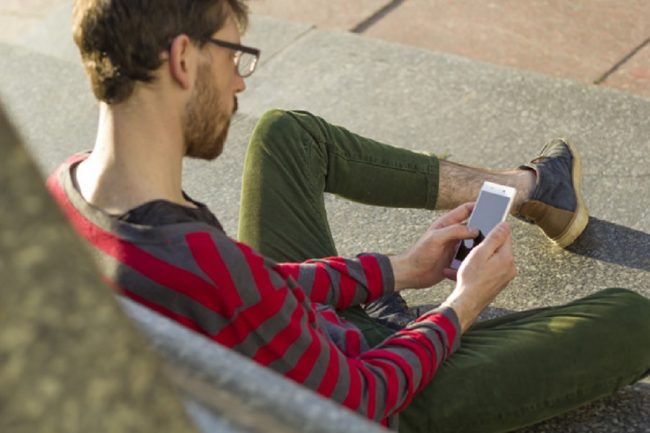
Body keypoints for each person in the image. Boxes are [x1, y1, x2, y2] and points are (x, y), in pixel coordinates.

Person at [48, 1, 650, 432]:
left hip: (294, 343)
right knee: (632, 318)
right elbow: (360, 398)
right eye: (234, 56)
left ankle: (523, 190)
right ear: (183, 58)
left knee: (289, 134)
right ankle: (408, 315)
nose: (238, 84)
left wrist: (401, 269)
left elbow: (263, 286)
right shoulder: (208, 267)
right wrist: (461, 306)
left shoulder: (64, 190)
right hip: (374, 394)